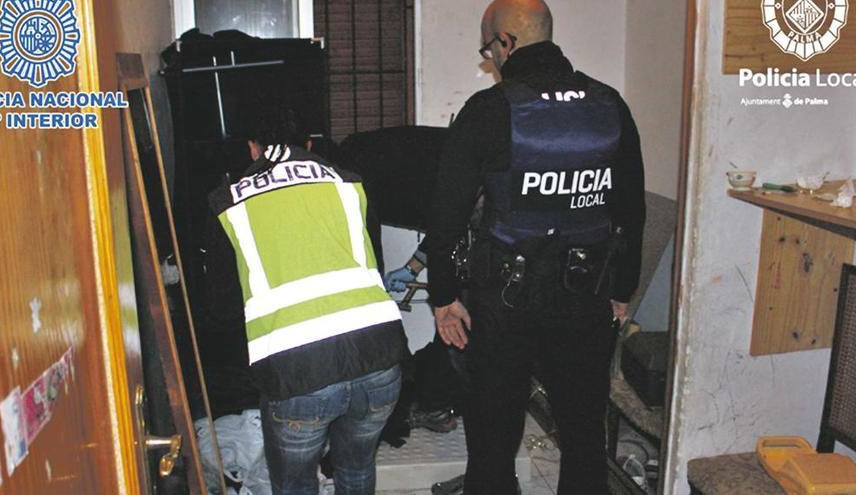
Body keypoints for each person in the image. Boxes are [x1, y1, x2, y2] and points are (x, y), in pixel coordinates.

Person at [424, 1, 646, 494]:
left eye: (489, 49)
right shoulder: (609, 103)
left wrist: (443, 297)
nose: (491, 60)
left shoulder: (487, 110)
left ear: (506, 42)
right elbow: (631, 210)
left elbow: (445, 214)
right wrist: (622, 288)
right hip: (585, 295)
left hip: (504, 303)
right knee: (584, 438)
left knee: (493, 441)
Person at [206, 110, 408, 495]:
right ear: (310, 144)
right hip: (380, 359)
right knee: (356, 468)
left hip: (296, 371)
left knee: (296, 485)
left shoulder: (228, 201)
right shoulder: (350, 183)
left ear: (253, 149)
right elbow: (374, 265)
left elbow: (220, 306)